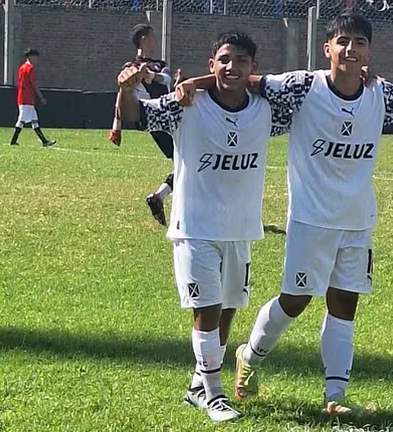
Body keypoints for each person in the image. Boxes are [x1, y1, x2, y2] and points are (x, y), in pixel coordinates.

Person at [200, 12, 393, 416]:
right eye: (343, 42)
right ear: (327, 47)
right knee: (295, 301)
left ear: (368, 50)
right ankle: (250, 355)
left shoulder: (380, 93)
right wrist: (196, 84)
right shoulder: (302, 86)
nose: (351, 49)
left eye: (359, 43)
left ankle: (336, 396)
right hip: (311, 219)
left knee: (344, 304)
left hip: (357, 219)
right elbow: (245, 81)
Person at [116, 31, 283, 422]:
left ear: (253, 69)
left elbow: (296, 87)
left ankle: (197, 384)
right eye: (223, 60)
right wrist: (126, 89)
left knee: (226, 310)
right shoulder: (186, 104)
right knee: (206, 309)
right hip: (194, 227)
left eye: (241, 61)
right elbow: (134, 115)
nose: (231, 67)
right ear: (212, 64)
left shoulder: (267, 109)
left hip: (240, 228)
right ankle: (214, 393)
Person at [110, 23, 177, 226]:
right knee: (190, 161)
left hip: (170, 117)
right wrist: (117, 126)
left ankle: (158, 197)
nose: (156, 41)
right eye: (153, 37)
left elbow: (166, 79)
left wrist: (149, 75)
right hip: (157, 121)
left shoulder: (158, 63)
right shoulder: (129, 68)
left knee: (188, 162)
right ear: (144, 39)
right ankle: (161, 197)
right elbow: (121, 96)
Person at [9, 49, 56, 147]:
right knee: (21, 120)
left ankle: (44, 141)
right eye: (35, 57)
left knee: (34, 120)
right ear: (30, 57)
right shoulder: (30, 68)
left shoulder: (22, 67)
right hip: (27, 99)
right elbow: (34, 84)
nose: (36, 60)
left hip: (23, 97)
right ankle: (13, 141)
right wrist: (41, 96)